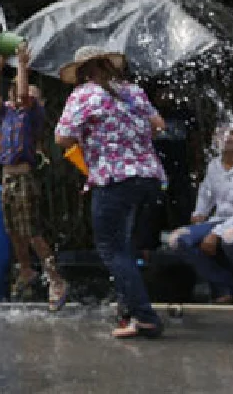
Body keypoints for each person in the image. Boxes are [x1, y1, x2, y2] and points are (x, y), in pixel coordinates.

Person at [55, 46, 167, 339]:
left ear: (83, 72)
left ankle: (145, 317)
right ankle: (127, 311)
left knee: (112, 249)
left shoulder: (84, 95)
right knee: (125, 248)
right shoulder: (133, 91)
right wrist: (132, 139)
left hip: (113, 179)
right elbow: (158, 124)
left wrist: (94, 139)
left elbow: (61, 136)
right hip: (149, 178)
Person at [0, 45, 68, 310]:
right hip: (7, 178)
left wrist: (21, 64)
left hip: (24, 178)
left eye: (33, 93)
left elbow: (22, 92)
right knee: (13, 231)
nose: (26, 93)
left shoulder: (33, 116)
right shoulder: (6, 113)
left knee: (31, 232)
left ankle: (56, 279)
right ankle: (27, 271)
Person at [168, 119, 233, 305]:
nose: (226, 137)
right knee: (177, 240)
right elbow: (206, 191)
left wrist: (216, 233)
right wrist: (200, 212)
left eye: (232, 133)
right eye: (221, 133)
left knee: (231, 236)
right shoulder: (214, 165)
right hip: (220, 221)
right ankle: (224, 285)